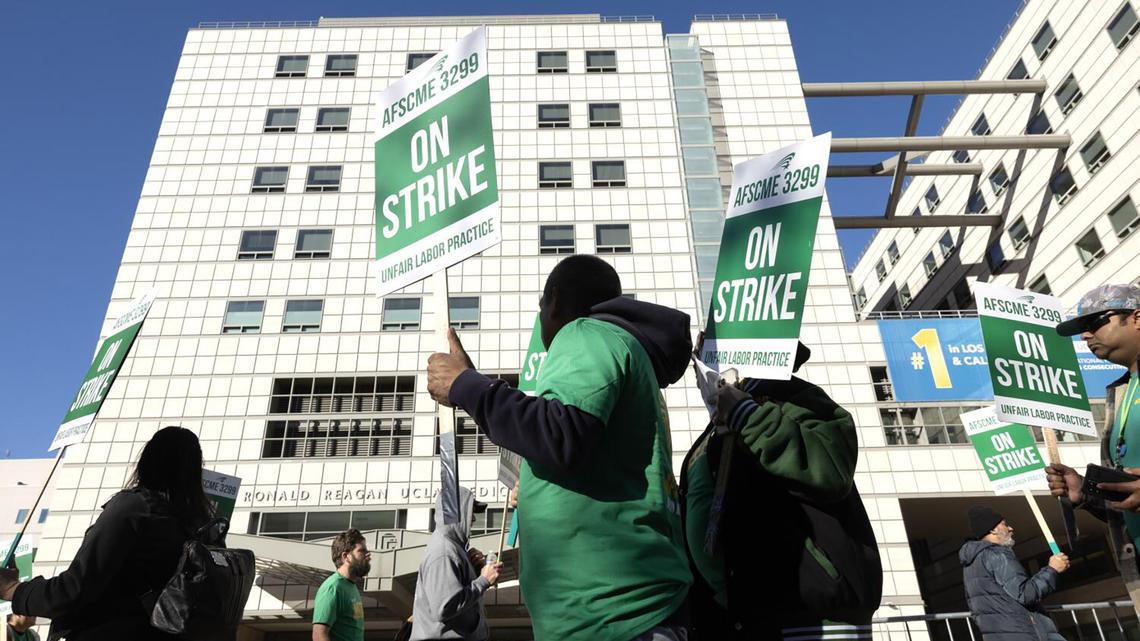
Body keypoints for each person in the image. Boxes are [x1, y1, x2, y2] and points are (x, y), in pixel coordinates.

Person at [426, 254, 693, 641]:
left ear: (552, 300)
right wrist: (472, 387)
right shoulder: (619, 349)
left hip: (617, 615)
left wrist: (467, 386)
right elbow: (564, 442)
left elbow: (559, 433)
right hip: (612, 614)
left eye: (540, 309)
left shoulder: (587, 333)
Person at [682, 343, 882, 640]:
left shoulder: (795, 398)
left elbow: (831, 468)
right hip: (737, 617)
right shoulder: (714, 429)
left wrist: (748, 415)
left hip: (806, 616)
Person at [0, 426, 214, 641]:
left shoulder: (134, 508)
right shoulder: (204, 528)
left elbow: (73, 591)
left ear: (147, 462)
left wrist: (12, 589)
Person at [959, 506, 1069, 641]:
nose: (1011, 528)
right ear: (993, 529)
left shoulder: (971, 564)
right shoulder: (998, 554)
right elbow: (1025, 594)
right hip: (1023, 632)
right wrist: (1052, 570)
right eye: (1005, 524)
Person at [410, 487, 500, 641]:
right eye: (470, 511)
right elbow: (444, 606)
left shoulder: (452, 547)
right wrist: (483, 580)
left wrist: (476, 571)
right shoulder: (444, 552)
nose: (473, 519)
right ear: (454, 512)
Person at [313, 529, 370, 641]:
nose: (367, 554)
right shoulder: (333, 588)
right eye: (361, 551)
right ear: (346, 556)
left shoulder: (351, 586)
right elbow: (319, 636)